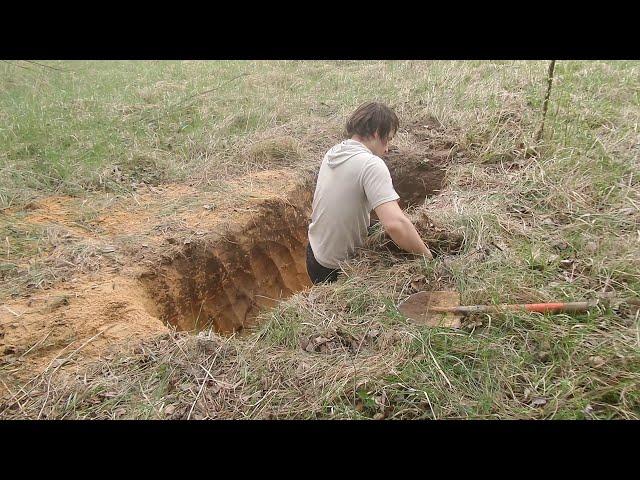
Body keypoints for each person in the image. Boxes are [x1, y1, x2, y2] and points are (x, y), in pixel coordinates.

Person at [306, 101, 433, 285]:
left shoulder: (334, 152)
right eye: (387, 139)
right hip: (334, 271)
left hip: (313, 254)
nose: (387, 147)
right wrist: (427, 257)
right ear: (375, 133)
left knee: (373, 226)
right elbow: (395, 224)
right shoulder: (370, 164)